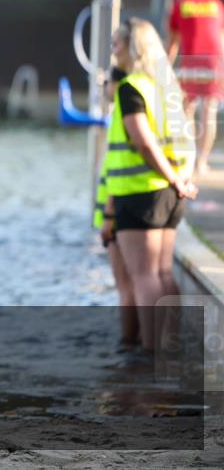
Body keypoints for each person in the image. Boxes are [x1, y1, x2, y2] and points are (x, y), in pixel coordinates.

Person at [100, 18, 197, 352]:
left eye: (117, 45)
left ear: (134, 46)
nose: (113, 53)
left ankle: (152, 355)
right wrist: (180, 179)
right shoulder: (165, 87)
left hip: (142, 192)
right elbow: (186, 139)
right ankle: (171, 347)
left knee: (143, 275)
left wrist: (170, 177)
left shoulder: (132, 87)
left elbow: (143, 143)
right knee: (163, 273)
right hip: (170, 195)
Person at [94, 67, 139, 346]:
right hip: (124, 204)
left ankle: (128, 344)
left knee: (126, 285)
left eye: (106, 82)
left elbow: (113, 170)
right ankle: (140, 339)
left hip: (118, 208)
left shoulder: (120, 118)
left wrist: (108, 215)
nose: (104, 87)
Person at [166, 0, 224, 177]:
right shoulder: (216, 4)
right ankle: (202, 162)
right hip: (215, 63)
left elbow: (173, 41)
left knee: (186, 110)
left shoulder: (180, 4)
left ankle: (188, 157)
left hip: (191, 63)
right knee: (209, 115)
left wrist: (165, 66)